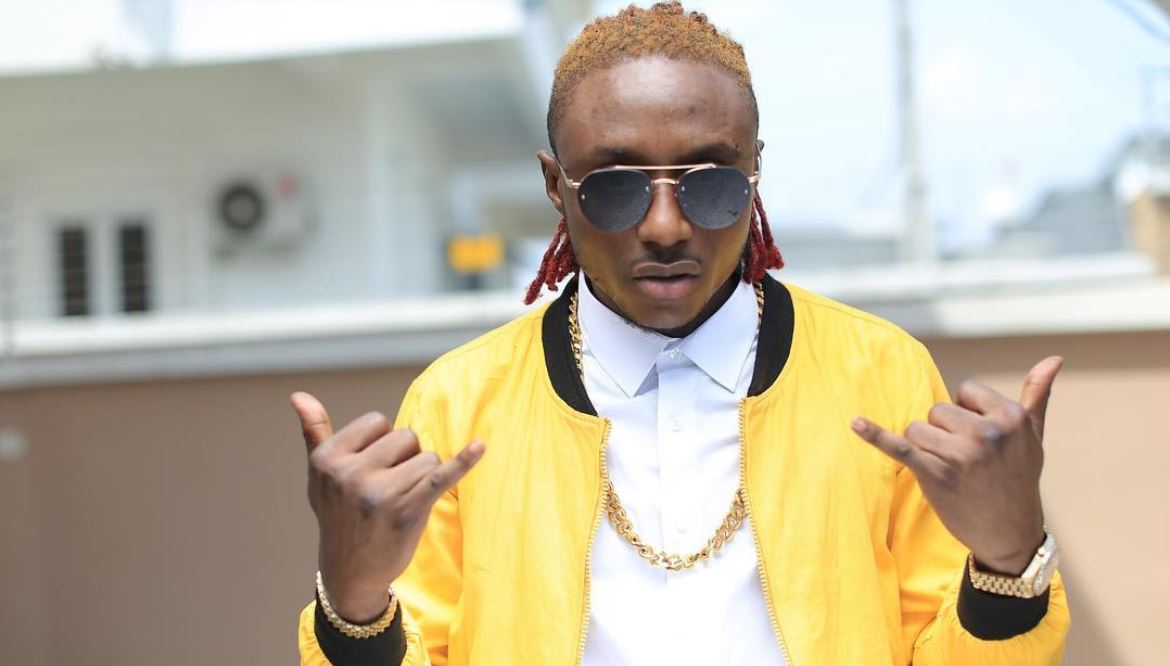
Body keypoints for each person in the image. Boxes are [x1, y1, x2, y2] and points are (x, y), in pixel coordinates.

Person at [294, 3, 1070, 664]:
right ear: (555, 186)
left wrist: (1008, 563)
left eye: (711, 182)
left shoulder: (880, 373)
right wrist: (354, 606)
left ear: (755, 172)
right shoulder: (459, 403)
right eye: (615, 186)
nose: (665, 227)